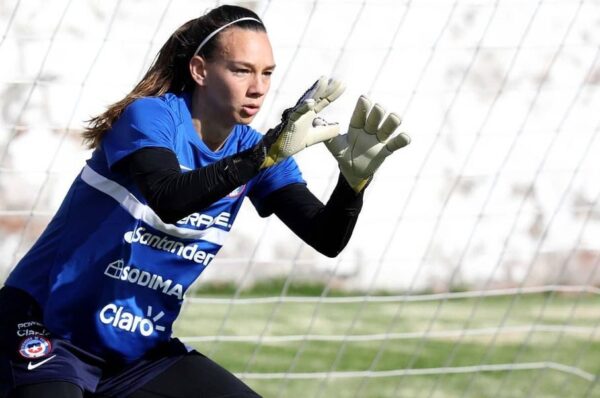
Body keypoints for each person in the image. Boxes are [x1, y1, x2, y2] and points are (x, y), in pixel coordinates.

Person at [0, 5, 410, 398]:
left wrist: (352, 184)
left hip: (136, 355)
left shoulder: (258, 151)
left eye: (267, 73)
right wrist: (260, 157)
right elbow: (170, 197)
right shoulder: (151, 118)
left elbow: (326, 237)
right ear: (199, 70)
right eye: (241, 70)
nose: (258, 87)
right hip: (45, 330)